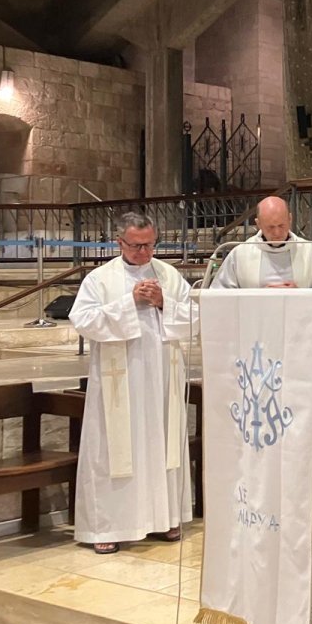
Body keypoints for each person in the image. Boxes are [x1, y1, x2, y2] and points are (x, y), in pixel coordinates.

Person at [69, 212, 197, 554]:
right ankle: (108, 527)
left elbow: (196, 317)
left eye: (150, 245)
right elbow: (83, 319)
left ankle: (164, 518)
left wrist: (162, 302)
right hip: (120, 380)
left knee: (161, 441)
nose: (144, 252)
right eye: (137, 245)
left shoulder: (168, 275)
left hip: (160, 376)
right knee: (115, 449)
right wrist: (130, 302)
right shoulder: (100, 278)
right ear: (119, 243)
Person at [211, 195, 312, 289]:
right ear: (258, 224)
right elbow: (221, 295)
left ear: (290, 219)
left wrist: (300, 294)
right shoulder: (240, 254)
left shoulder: (311, 252)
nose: (277, 233)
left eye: (281, 225)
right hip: (255, 322)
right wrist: (261, 298)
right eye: (270, 227)